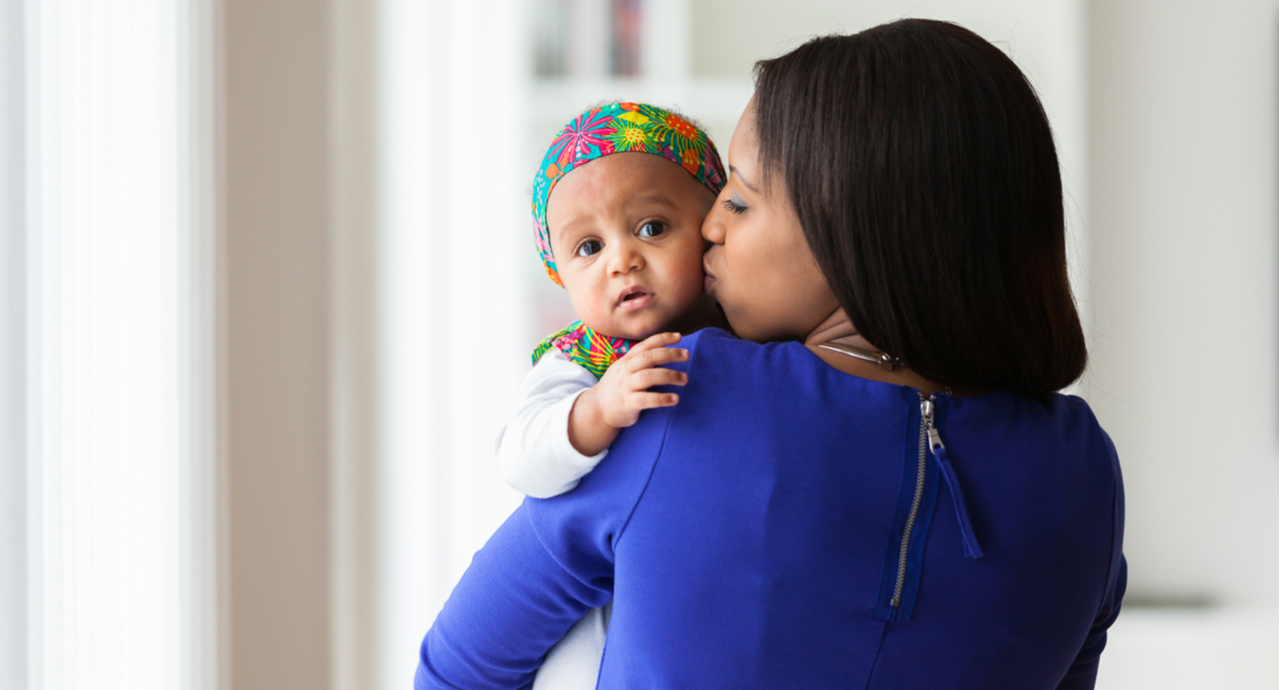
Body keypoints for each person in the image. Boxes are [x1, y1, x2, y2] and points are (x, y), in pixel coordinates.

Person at [418, 19, 1125, 690]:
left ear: (851, 230)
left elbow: (457, 670)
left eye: (741, 199)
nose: (710, 228)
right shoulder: (1083, 472)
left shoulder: (690, 393)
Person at [496, 102, 729, 689]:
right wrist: (597, 410)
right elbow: (520, 456)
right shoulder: (581, 360)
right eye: (588, 248)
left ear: (712, 227)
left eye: (651, 228)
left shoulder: (746, 328)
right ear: (558, 272)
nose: (621, 260)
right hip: (597, 625)